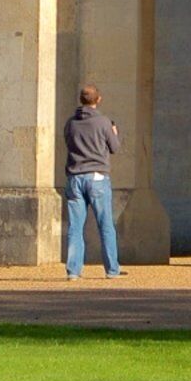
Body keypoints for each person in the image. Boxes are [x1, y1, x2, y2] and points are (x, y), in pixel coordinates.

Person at [62, 83, 123, 279]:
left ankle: (73, 271)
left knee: (75, 227)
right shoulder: (103, 122)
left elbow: (68, 143)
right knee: (105, 225)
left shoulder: (71, 123)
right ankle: (112, 269)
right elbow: (115, 148)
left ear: (80, 100)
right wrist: (114, 133)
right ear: (98, 99)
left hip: (75, 176)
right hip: (97, 176)